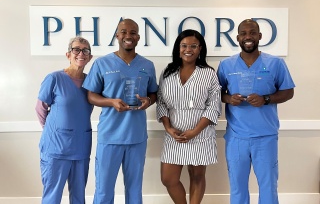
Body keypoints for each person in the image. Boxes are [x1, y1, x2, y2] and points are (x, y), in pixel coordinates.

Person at [216, 19, 295, 204]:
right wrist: (229, 98)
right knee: (237, 188)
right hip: (236, 138)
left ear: (259, 36)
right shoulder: (226, 65)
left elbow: (288, 91)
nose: (248, 37)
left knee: (268, 188)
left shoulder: (276, 63)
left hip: (265, 137)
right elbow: (217, 93)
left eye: (252, 33)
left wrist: (266, 99)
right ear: (237, 38)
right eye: (243, 33)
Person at [82, 18, 158, 204]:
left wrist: (149, 101)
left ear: (138, 37)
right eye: (124, 32)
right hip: (110, 137)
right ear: (117, 35)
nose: (128, 36)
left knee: (134, 190)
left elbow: (153, 94)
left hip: (137, 137)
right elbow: (91, 96)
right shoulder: (102, 64)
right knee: (104, 191)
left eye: (133, 32)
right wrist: (111, 102)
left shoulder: (147, 65)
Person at [156, 29, 222, 204]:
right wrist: (168, 128)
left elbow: (214, 105)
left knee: (197, 176)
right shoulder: (167, 73)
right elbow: (161, 102)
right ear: (178, 48)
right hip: (174, 134)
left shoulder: (208, 73)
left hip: (200, 134)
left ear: (200, 48)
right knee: (168, 179)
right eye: (184, 45)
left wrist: (195, 131)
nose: (188, 49)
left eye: (193, 46)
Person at [35, 36, 93, 204]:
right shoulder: (54, 78)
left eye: (85, 50)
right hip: (56, 147)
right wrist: (52, 130)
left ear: (90, 57)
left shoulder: (91, 82)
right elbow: (40, 108)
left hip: (81, 145)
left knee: (78, 196)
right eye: (76, 49)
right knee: (52, 195)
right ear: (68, 54)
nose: (81, 53)